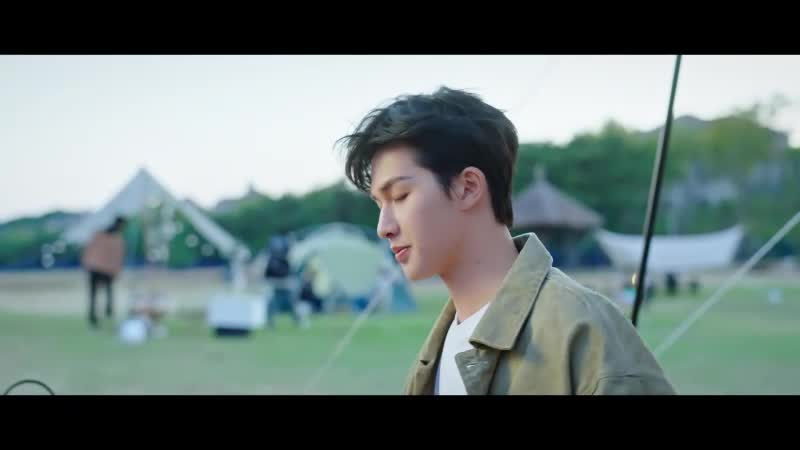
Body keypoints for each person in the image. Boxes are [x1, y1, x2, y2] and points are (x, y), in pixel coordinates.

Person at [337, 87, 675, 395]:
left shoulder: (583, 331)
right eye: (379, 204)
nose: (383, 227)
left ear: (468, 187)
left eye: (400, 195)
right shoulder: (438, 349)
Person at [81, 216, 127, 329]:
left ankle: (97, 317)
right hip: (103, 269)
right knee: (105, 294)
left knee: (97, 295)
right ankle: (103, 315)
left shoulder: (100, 235)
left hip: (97, 269)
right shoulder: (115, 239)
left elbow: (88, 250)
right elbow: (118, 257)